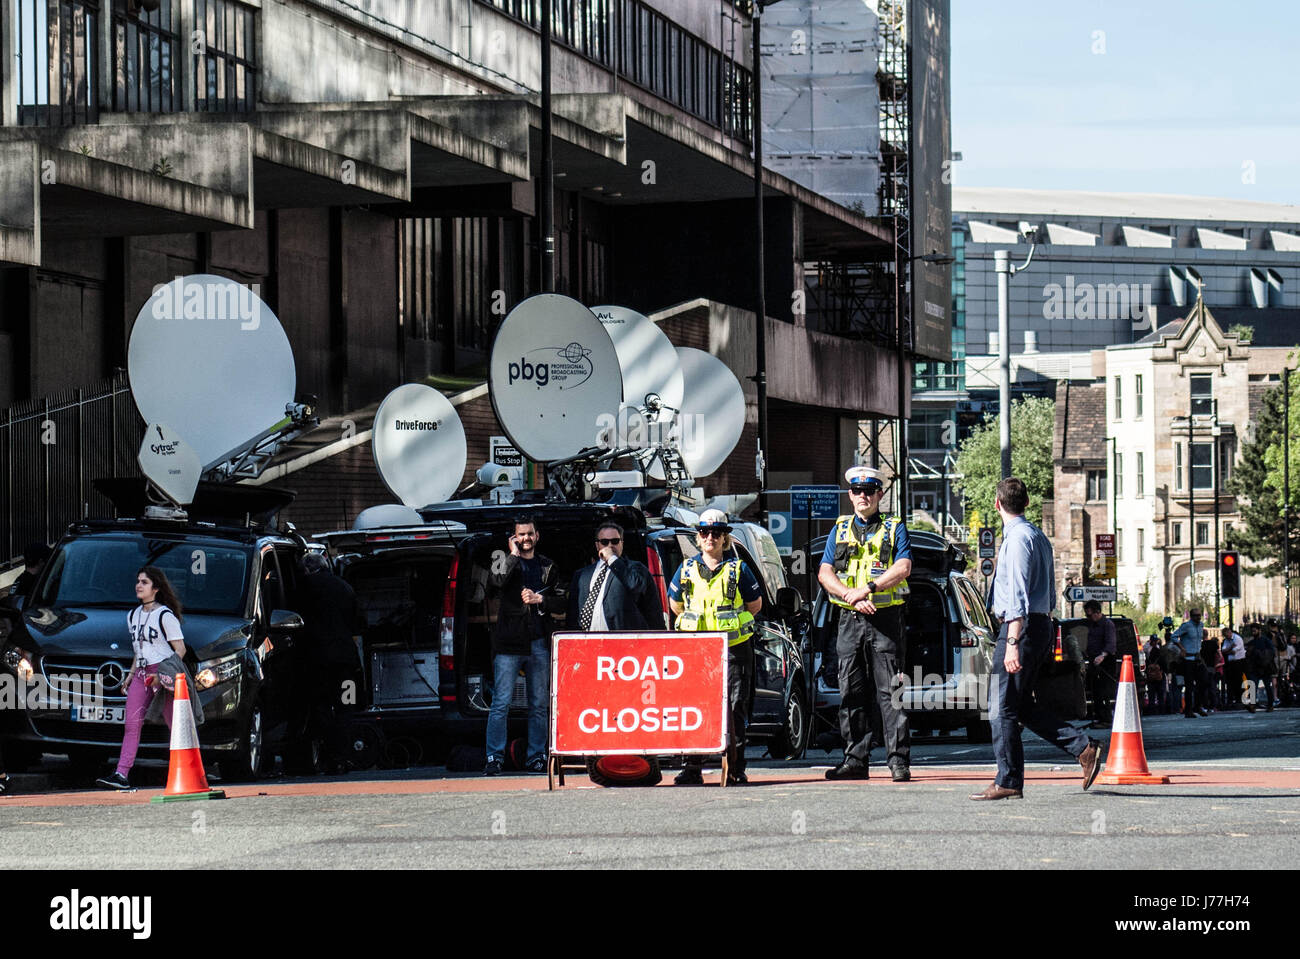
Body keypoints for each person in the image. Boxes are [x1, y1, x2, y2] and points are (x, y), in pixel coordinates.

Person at [970, 477, 1103, 800]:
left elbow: (1016, 593)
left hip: (1021, 628)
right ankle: (1083, 748)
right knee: (1019, 706)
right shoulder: (1038, 537)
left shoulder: (1016, 540)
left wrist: (1012, 640)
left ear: (997, 504)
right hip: (1041, 625)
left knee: (1001, 707)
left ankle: (1009, 779)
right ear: (1027, 504)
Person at [818, 465, 914, 783]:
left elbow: (903, 566)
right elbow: (824, 573)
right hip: (849, 617)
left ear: (880, 495)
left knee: (891, 692)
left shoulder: (894, 526)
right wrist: (851, 595)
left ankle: (898, 760)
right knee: (851, 690)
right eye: (858, 491)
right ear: (850, 495)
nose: (863, 496)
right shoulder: (840, 528)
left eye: (870, 491)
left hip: (885, 619)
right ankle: (855, 759)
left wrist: (869, 590)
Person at [667, 509, 762, 785]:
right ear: (698, 537)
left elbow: (755, 606)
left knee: (734, 708)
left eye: (716, 533)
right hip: (697, 653)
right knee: (695, 707)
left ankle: (734, 767)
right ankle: (692, 767)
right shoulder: (686, 569)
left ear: (725, 538)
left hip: (734, 652)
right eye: (705, 532)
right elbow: (676, 606)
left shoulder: (738, 569)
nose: (710, 537)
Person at [484, 517, 563, 775]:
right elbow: (494, 584)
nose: (526, 538)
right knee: (501, 703)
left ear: (537, 536)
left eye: (530, 534)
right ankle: (494, 757)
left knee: (539, 704)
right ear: (514, 537)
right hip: (508, 644)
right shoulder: (502, 557)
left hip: (539, 642)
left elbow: (563, 601)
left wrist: (541, 599)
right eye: (521, 535)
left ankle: (536, 757)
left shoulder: (548, 565)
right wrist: (513, 555)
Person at [97, 567, 187, 790]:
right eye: (138, 581)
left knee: (174, 724)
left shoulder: (165, 616)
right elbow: (140, 649)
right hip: (142, 674)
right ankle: (121, 773)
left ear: (156, 588)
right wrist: (130, 675)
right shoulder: (133, 615)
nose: (139, 585)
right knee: (131, 723)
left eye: (144, 582)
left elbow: (181, 649)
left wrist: (164, 673)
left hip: (162, 674)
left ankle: (186, 772)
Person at [295, 551, 364, 772]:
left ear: (306, 569)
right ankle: (345, 757)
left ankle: (328, 757)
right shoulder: (345, 587)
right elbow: (359, 625)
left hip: (317, 664)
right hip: (347, 663)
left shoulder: (303, 589)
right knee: (347, 707)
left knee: (321, 707)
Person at [567, 521, 664, 631]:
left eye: (615, 541)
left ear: (622, 543)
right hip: (589, 641)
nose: (610, 546)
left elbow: (634, 585)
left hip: (622, 641)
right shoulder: (582, 575)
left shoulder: (635, 568)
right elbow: (573, 613)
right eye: (604, 542)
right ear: (597, 545)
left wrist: (612, 559)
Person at [1082, 600, 1117, 727]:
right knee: (1096, 690)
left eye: (1089, 615)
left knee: (1104, 691)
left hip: (1105, 662)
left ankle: (1107, 718)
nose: (1088, 618)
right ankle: (1099, 716)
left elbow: (1111, 643)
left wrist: (1102, 655)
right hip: (1094, 661)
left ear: (1097, 612)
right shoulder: (1093, 625)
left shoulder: (1107, 624)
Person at [1171, 609, 1209, 717]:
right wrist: (1182, 648)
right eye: (1196, 616)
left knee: (1204, 681)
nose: (1198, 617)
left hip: (1197, 657)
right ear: (1191, 616)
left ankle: (1198, 706)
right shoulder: (1186, 626)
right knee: (1189, 685)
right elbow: (1174, 636)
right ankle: (1188, 710)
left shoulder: (1201, 625)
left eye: (1199, 615)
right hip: (1188, 659)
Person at [1245, 625, 1278, 713]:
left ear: (1259, 630)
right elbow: (1248, 655)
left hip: (1265, 667)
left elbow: (1271, 653)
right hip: (1255, 667)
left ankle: (1270, 705)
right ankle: (1252, 705)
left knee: (1267, 686)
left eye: (1255, 631)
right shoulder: (1251, 642)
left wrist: (1259, 654)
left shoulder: (1266, 641)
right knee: (1253, 685)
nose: (1253, 633)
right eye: (1252, 631)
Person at [1222, 625, 1247, 710]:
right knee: (1231, 681)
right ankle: (1234, 698)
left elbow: (1233, 651)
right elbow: (1223, 651)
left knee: (1239, 680)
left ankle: (1240, 699)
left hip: (1239, 662)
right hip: (1231, 663)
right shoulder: (1226, 640)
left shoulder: (1237, 638)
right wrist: (1230, 647)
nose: (1227, 637)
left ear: (1230, 632)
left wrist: (1229, 650)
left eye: (1227, 635)